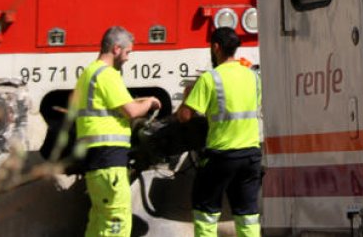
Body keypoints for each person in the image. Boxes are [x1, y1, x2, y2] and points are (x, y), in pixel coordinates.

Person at [72, 26, 161, 237]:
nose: (128, 58)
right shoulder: (107, 75)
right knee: (117, 219)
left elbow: (116, 104)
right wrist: (149, 102)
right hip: (109, 159)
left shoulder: (89, 72)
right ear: (116, 48)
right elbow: (131, 111)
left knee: (99, 219)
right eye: (128, 52)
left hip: (95, 159)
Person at [176, 27, 262, 237]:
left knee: (205, 213)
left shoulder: (210, 79)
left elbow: (185, 116)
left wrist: (188, 95)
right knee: (247, 216)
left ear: (216, 47)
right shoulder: (253, 77)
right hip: (251, 156)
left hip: (221, 157)